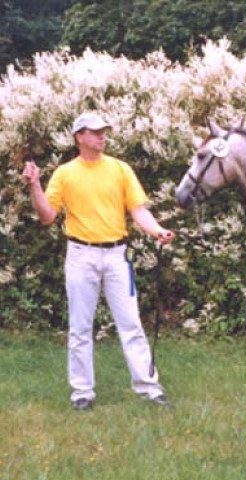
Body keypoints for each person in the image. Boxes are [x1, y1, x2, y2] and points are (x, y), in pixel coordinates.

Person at [21, 112, 175, 411]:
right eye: (95, 132)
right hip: (81, 256)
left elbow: (138, 210)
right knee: (80, 327)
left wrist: (157, 230)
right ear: (80, 137)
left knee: (131, 323)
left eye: (104, 131)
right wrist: (34, 185)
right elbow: (47, 217)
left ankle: (149, 388)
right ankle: (82, 393)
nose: (102, 136)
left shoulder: (120, 169)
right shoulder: (65, 174)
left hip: (117, 256)